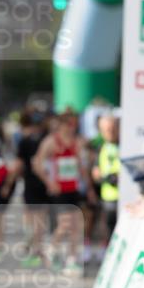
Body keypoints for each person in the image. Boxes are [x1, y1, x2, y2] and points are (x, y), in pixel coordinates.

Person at [33, 111, 94, 271]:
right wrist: (49, 182)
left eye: (74, 125)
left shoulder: (77, 142)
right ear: (61, 125)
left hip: (73, 188)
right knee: (65, 224)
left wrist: (89, 188)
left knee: (76, 225)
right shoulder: (51, 142)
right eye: (70, 124)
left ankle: (72, 258)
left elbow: (81, 167)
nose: (72, 128)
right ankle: (51, 248)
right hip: (59, 190)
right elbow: (37, 163)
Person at [14, 111, 49, 266]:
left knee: (32, 217)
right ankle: (36, 246)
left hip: (32, 183)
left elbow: (19, 164)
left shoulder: (25, 141)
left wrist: (11, 181)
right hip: (43, 183)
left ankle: (33, 244)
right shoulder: (46, 140)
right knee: (40, 218)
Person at [91, 113, 120, 243]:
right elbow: (95, 173)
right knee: (110, 231)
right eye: (106, 130)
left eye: (112, 128)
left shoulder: (125, 145)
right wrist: (105, 177)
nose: (110, 132)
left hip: (124, 197)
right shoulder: (101, 147)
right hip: (108, 197)